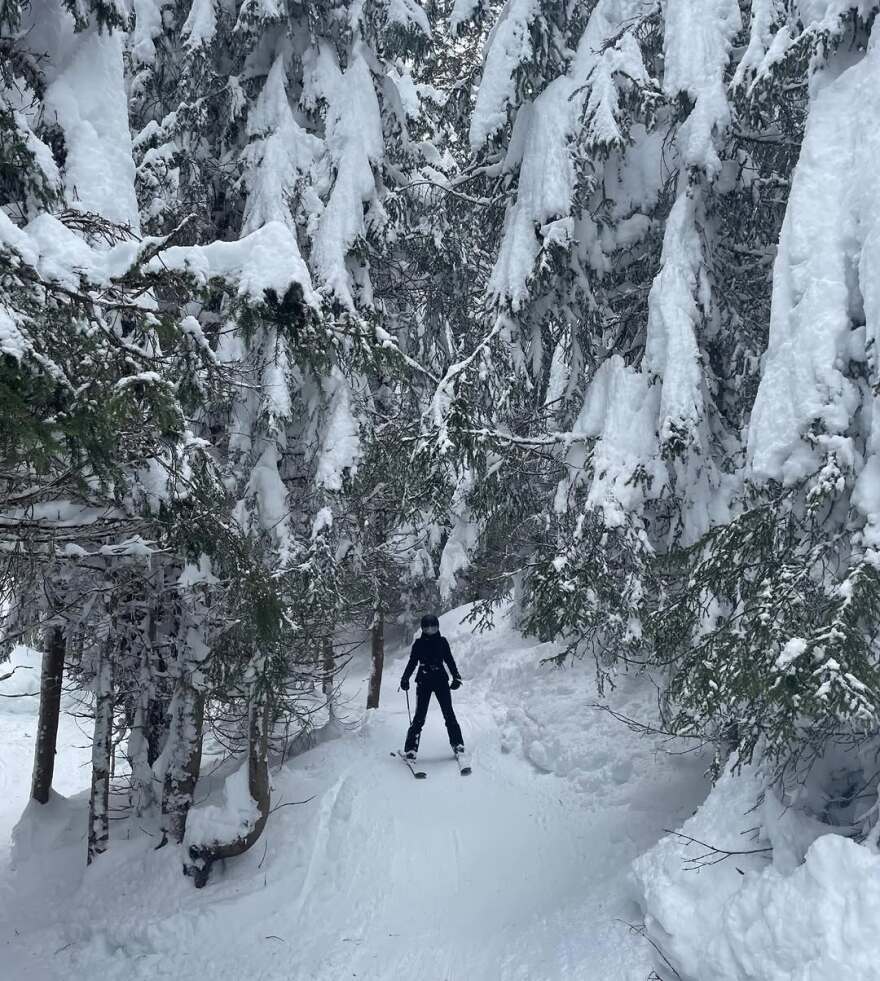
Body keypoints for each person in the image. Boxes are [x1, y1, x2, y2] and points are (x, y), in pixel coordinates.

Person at [400, 614, 464, 759]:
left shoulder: (442, 642)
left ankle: (458, 744)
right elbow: (412, 663)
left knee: (449, 714)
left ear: (437, 627)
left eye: (433, 626)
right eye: (427, 627)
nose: (430, 629)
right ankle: (411, 748)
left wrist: (456, 676)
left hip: (441, 680)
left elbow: (449, 660)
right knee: (419, 717)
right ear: (423, 628)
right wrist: (405, 678)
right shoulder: (418, 644)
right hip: (424, 681)